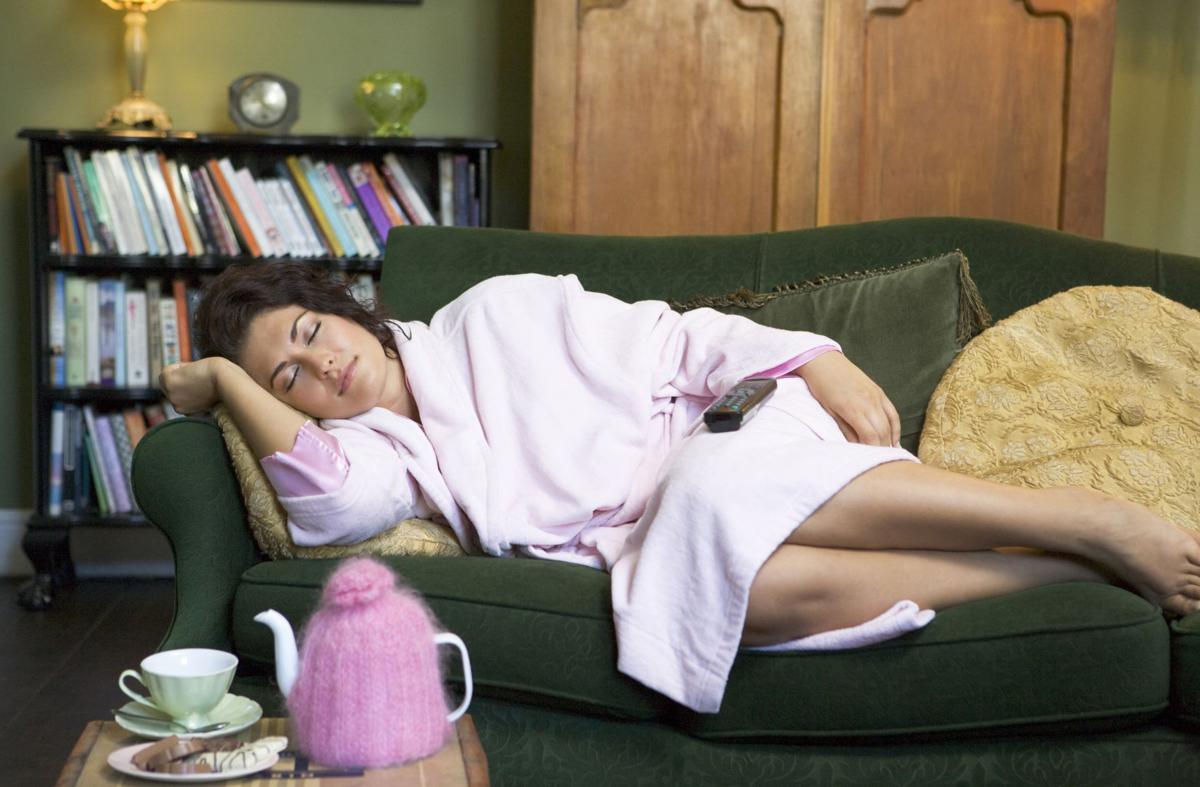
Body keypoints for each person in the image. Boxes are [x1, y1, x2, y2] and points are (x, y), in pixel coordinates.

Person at [161, 262, 1200, 713]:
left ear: (341, 308)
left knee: (710, 498)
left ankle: (1085, 517)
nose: (320, 367)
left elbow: (682, 339)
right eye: (286, 380)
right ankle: (1066, 570)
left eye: (309, 334)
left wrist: (815, 358)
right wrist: (219, 385)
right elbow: (330, 505)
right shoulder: (391, 454)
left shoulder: (491, 313)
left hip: (723, 424)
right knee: (736, 598)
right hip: (654, 530)